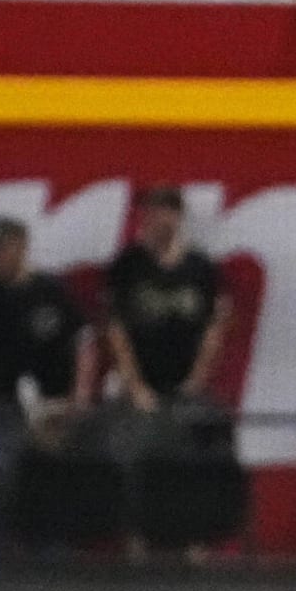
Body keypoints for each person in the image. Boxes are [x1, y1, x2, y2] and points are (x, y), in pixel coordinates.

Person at [0, 216, 96, 569]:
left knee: (51, 481)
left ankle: (54, 561)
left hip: (52, 408)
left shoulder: (51, 291)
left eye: (3, 246)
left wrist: (80, 393)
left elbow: (83, 342)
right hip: (2, 409)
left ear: (21, 245)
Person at [104, 184, 233, 557]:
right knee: (136, 459)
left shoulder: (200, 267)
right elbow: (115, 328)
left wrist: (198, 378)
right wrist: (134, 383)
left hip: (187, 383)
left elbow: (216, 325)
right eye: (150, 211)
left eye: (164, 211)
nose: (157, 219)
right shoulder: (128, 265)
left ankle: (193, 538)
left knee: (190, 461)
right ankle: (137, 540)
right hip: (141, 383)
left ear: (177, 216)